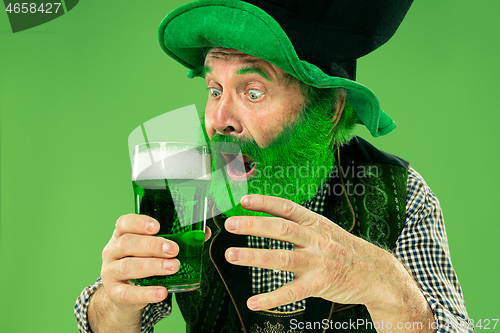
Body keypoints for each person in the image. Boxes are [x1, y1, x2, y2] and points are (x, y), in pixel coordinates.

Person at [75, 0, 472, 332]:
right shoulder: (187, 178)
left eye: (252, 91)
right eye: (215, 90)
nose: (218, 119)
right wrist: (115, 299)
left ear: (330, 109)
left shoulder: (400, 193)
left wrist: (386, 287)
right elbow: (122, 317)